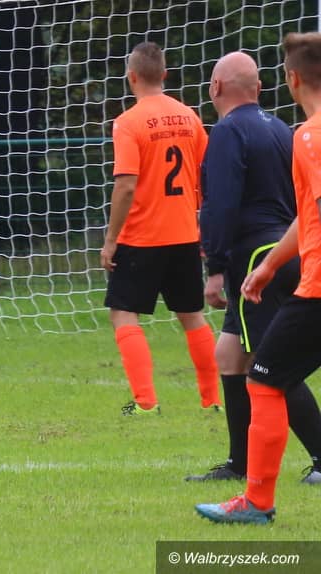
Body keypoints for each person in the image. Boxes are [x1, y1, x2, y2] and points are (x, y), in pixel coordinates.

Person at [196, 32, 321, 524]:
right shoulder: (286, 130)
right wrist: (270, 265)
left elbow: (222, 202)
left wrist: (217, 264)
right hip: (283, 259)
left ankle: (263, 495)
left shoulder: (295, 135)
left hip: (284, 267)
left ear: (292, 79)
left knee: (268, 373)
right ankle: (243, 470)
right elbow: (302, 211)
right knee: (239, 357)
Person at [101, 41, 221, 416]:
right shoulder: (189, 117)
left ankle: (145, 402)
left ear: (132, 77)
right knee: (192, 315)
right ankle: (212, 400)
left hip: (142, 236)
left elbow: (126, 185)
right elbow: (206, 175)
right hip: (184, 233)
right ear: (165, 75)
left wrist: (110, 240)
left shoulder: (129, 122)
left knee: (123, 312)